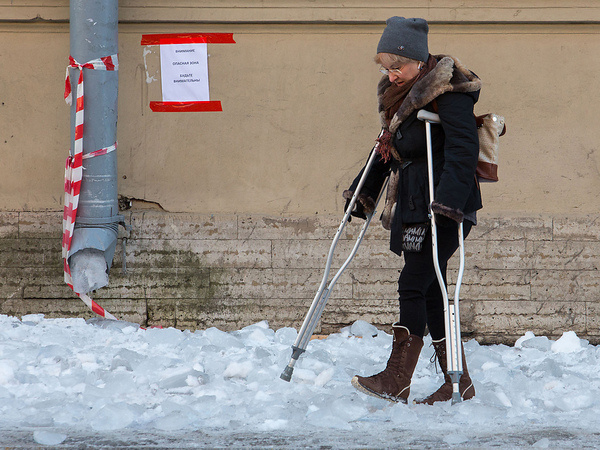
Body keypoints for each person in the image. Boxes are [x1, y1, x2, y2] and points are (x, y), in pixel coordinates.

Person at [343, 16, 482, 404]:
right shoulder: (398, 98)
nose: (391, 75)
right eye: (385, 67)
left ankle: (396, 379)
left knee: (413, 282)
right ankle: (459, 384)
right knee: (432, 291)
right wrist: (362, 191)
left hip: (445, 207)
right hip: (414, 204)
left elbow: (462, 148)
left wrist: (450, 203)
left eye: (397, 66)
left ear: (419, 61)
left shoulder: (448, 92)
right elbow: (388, 152)